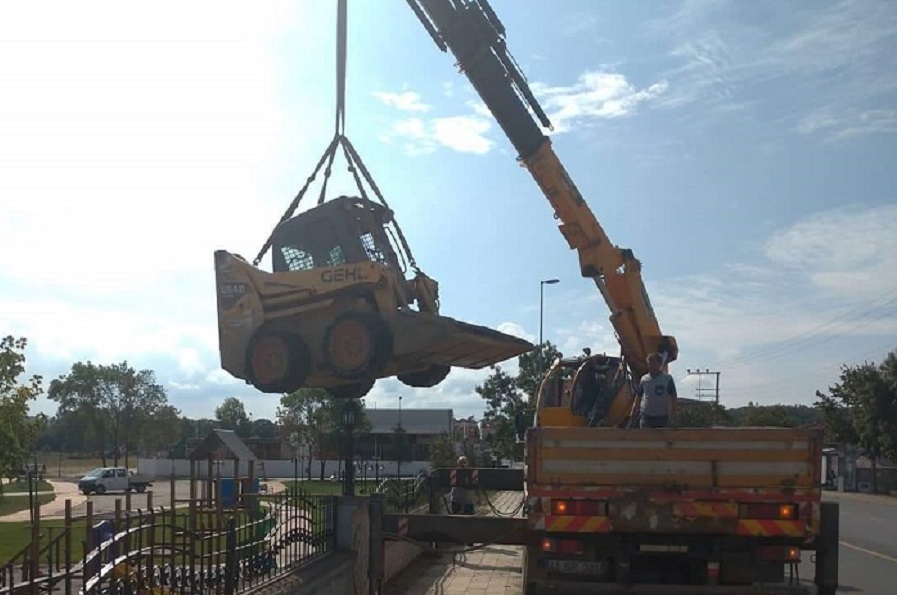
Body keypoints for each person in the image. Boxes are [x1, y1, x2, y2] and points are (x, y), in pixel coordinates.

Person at [634, 352, 677, 428]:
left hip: (662, 417)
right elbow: (638, 396)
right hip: (646, 416)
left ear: (660, 364)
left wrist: (672, 414)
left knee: (660, 439)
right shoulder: (644, 379)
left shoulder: (667, 379)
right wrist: (634, 411)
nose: (651, 366)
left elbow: (673, 397)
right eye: (649, 364)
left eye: (654, 364)